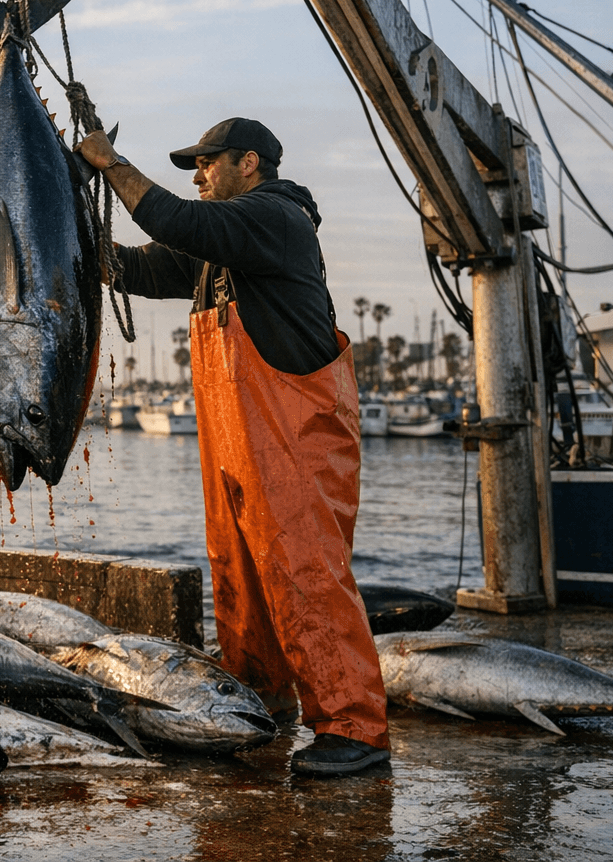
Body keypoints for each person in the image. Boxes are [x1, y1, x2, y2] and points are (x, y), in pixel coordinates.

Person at [78, 117, 389, 776]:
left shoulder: (274, 219)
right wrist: (80, 235)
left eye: (206, 162)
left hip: (296, 436)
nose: (198, 174)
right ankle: (263, 701)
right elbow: (139, 265)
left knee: (308, 577)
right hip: (241, 442)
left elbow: (174, 220)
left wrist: (112, 164)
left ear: (250, 162)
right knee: (241, 575)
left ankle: (355, 729)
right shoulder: (225, 245)